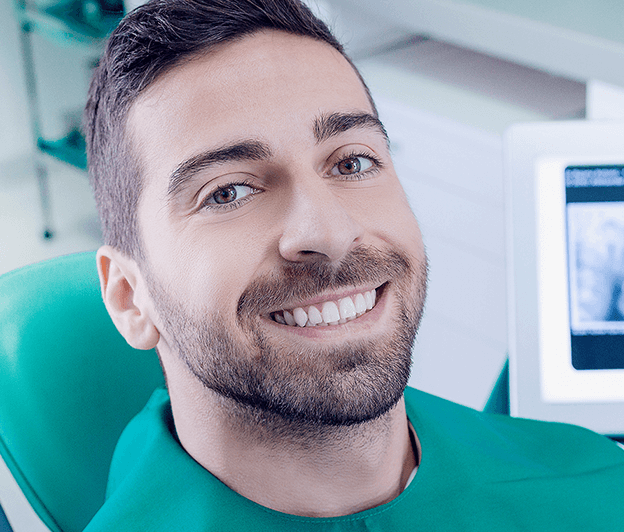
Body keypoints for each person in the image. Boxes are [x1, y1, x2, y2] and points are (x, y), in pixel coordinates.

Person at [82, 0, 624, 529]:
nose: (330, 232)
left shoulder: (595, 479)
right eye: (227, 193)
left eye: (352, 161)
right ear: (130, 297)